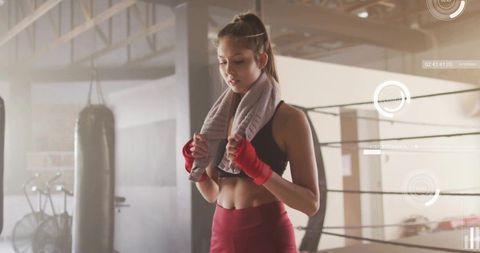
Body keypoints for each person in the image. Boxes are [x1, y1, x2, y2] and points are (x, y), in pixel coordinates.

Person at [181, 12, 319, 253]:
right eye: (222, 61)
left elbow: (310, 204)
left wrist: (258, 169)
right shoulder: (220, 117)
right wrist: (197, 167)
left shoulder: (289, 118)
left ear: (261, 59)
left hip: (267, 236)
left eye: (239, 61)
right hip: (222, 235)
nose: (228, 71)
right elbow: (213, 194)